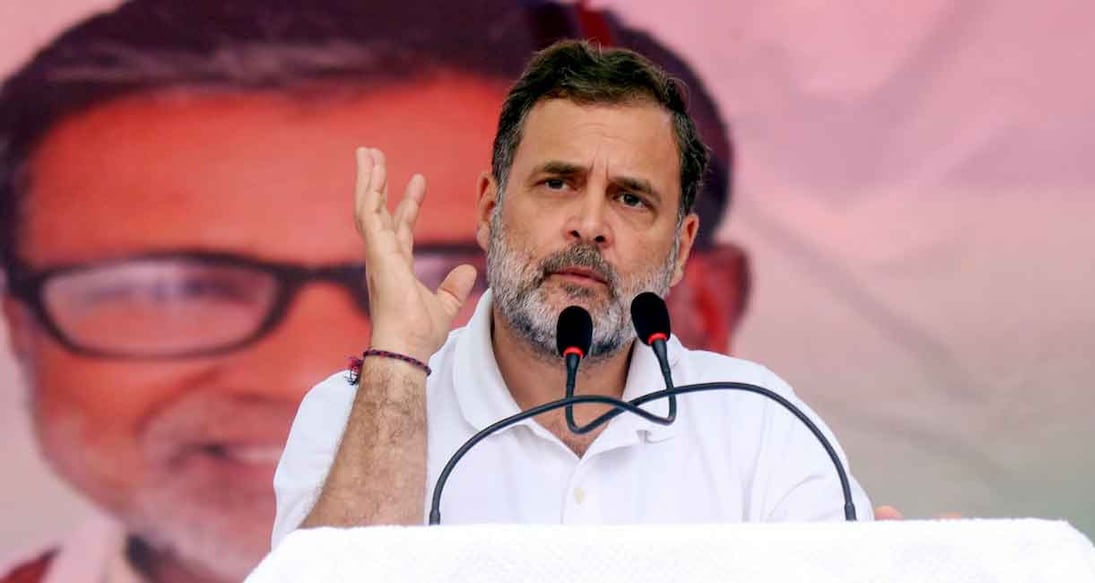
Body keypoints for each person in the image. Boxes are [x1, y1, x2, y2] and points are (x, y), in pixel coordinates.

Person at [0, 0, 747, 580]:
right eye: (174, 289)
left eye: (457, 274)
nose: (299, 375)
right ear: (18, 328)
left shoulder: (772, 447)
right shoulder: (334, 410)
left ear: (698, 303)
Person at [272, 40, 872, 545]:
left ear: (683, 247)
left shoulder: (761, 424)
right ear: (490, 207)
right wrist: (400, 361)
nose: (590, 224)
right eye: (558, 183)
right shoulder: (358, 413)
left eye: (630, 198)